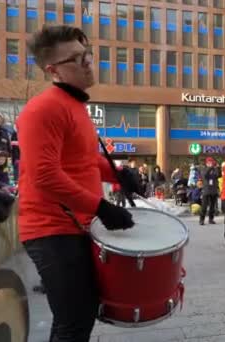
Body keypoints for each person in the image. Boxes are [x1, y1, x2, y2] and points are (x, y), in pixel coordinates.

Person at [17, 25, 136, 342]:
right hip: (50, 229)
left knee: (82, 315)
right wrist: (101, 206)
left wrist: (118, 174)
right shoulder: (42, 109)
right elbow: (44, 175)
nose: (88, 62)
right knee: (73, 319)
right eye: (76, 58)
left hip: (75, 225)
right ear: (52, 69)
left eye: (88, 54)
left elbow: (83, 159)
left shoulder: (74, 106)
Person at [200, 157, 221, 225]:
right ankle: (201, 220)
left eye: (212, 162)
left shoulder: (214, 169)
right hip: (206, 190)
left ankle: (211, 219)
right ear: (206, 163)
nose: (211, 163)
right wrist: (210, 168)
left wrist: (218, 168)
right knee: (204, 206)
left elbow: (219, 175)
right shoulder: (204, 169)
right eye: (209, 162)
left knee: (212, 206)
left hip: (213, 190)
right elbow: (205, 175)